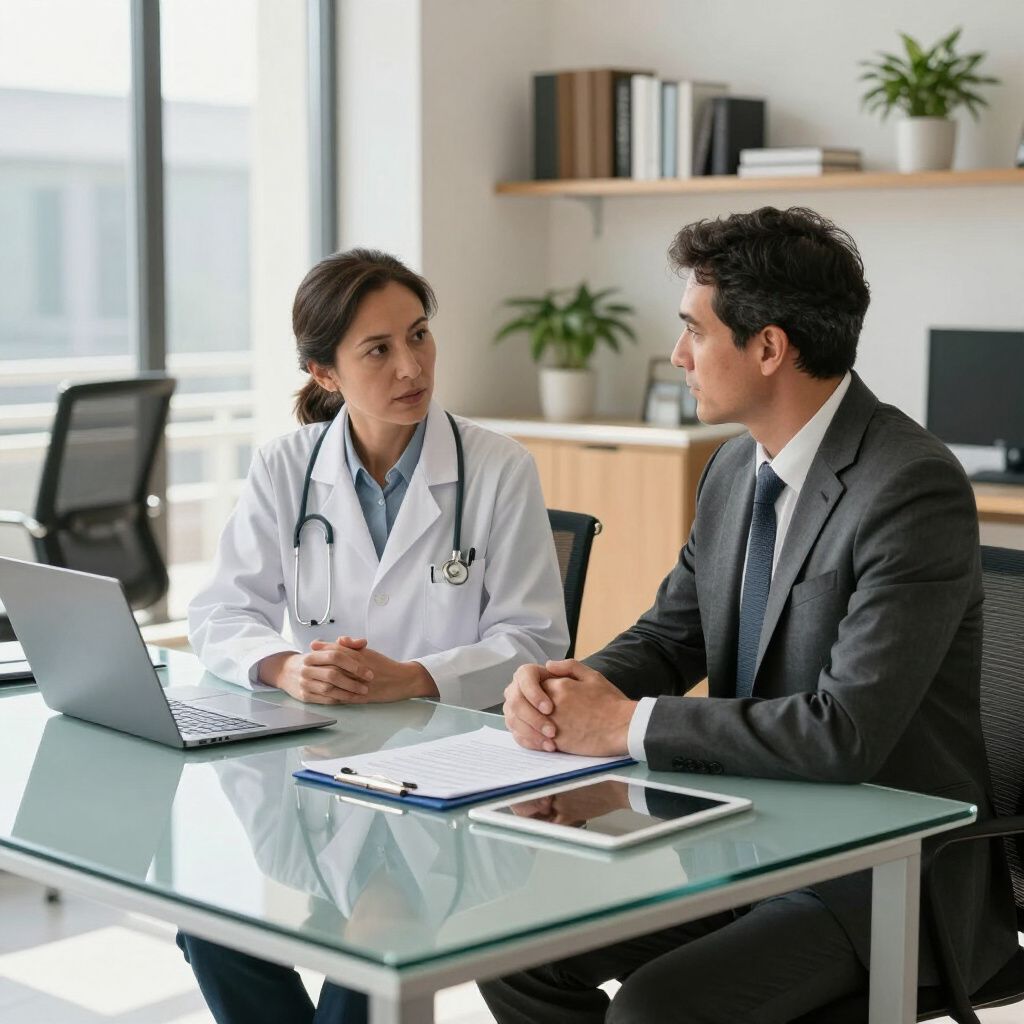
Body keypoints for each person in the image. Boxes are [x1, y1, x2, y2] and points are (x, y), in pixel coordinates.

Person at [487, 206, 1018, 1024]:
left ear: (769, 348)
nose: (678, 356)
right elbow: (672, 635)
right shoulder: (735, 469)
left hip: (878, 875)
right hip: (744, 835)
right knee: (514, 951)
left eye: (694, 331)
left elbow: (843, 732)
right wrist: (566, 689)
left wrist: (622, 725)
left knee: (656, 1009)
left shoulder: (911, 485)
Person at [180, 248, 568, 1024]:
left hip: (453, 780)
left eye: (419, 335)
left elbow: (534, 640)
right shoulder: (285, 467)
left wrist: (417, 677)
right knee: (211, 927)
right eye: (379, 350)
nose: (411, 367)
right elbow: (219, 613)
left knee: (371, 960)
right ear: (324, 373)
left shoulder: (497, 468)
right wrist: (283, 666)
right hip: (317, 767)